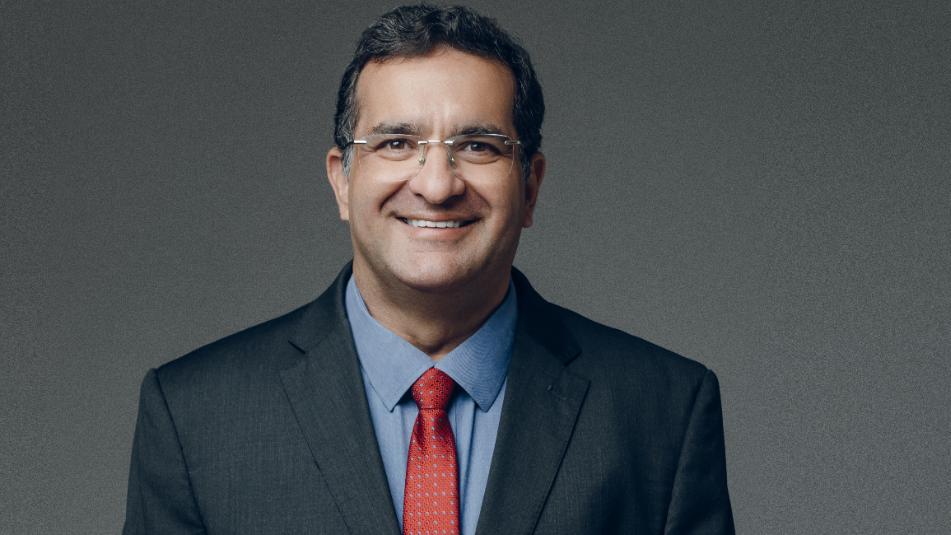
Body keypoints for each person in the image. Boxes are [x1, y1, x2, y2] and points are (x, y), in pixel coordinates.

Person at [123, 4, 734, 534]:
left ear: (530, 187)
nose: (437, 186)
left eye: (478, 146)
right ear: (342, 181)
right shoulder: (194, 417)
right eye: (396, 144)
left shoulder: (663, 411)